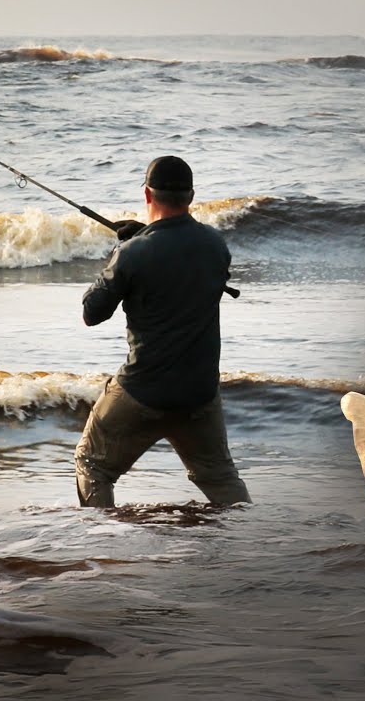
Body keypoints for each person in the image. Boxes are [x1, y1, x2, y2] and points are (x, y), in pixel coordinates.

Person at [73, 156, 252, 509]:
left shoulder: (132, 254)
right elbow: (180, 257)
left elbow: (92, 313)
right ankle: (249, 538)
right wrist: (142, 238)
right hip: (199, 393)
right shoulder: (216, 246)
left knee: (92, 465)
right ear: (191, 196)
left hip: (143, 391)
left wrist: (120, 251)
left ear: (147, 195)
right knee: (220, 478)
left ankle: (100, 544)